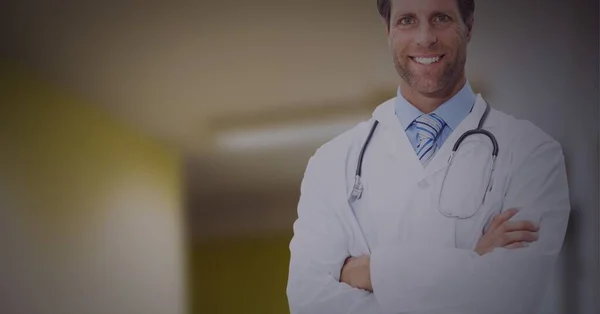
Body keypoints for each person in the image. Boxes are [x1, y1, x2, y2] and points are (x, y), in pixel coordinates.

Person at [286, 0, 571, 313]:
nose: (425, 37)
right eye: (407, 20)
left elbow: (510, 294)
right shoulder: (332, 162)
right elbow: (309, 301)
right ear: (388, 30)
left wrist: (371, 271)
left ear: (469, 26)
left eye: (440, 18)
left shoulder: (533, 154)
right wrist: (472, 262)